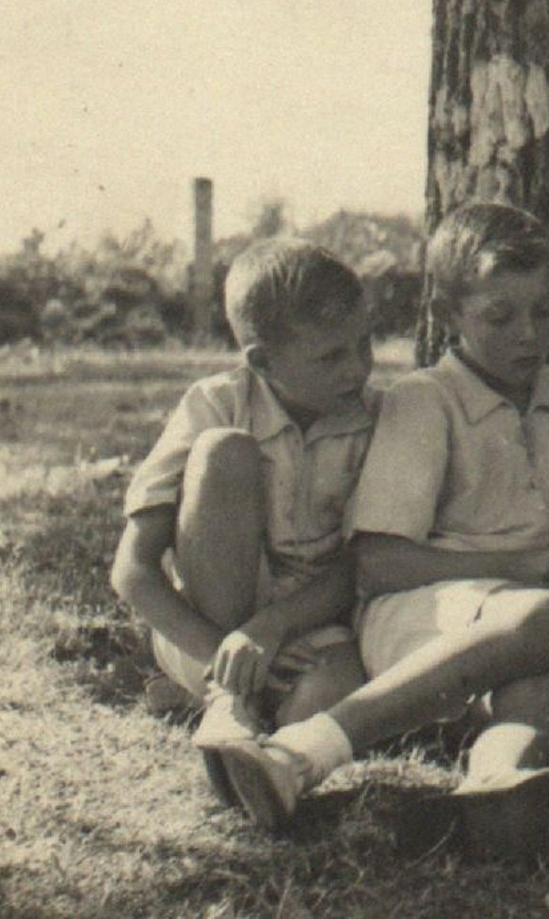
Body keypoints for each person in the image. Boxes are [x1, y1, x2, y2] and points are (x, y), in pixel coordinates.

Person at [212, 204, 549, 863]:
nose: (528, 335)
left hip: (501, 632)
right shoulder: (424, 400)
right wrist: (526, 566)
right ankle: (302, 752)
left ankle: (493, 788)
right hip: (414, 613)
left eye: (542, 311)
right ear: (447, 312)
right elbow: (376, 564)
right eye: (500, 316)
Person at [111, 238, 374, 801]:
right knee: (224, 451)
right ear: (261, 361)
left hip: (310, 626)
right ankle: (224, 704)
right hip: (204, 626)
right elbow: (131, 571)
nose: (357, 369)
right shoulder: (214, 402)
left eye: (365, 344)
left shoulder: (375, 417)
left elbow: (365, 561)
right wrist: (225, 655)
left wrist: (272, 631)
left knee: (324, 700)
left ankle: (259, 761)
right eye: (331, 356)